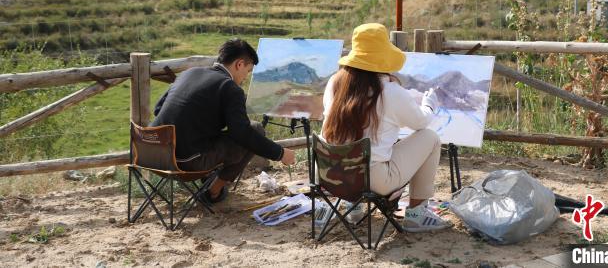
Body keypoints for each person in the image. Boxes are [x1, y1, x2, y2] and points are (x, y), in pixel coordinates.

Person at [321, 23, 451, 232]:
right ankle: (416, 215)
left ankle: (353, 207)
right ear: (382, 58)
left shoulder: (335, 82)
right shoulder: (390, 91)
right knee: (430, 137)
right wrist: (429, 104)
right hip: (372, 180)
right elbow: (420, 122)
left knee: (358, 144)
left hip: (331, 174)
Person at [151, 39, 296, 203]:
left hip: (151, 155)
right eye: (248, 71)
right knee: (255, 129)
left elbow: (158, 109)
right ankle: (213, 191)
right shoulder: (230, 88)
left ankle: (209, 179)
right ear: (239, 64)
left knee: (218, 134)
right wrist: (280, 153)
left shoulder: (189, 73)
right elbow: (242, 133)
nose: (245, 77)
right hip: (184, 163)